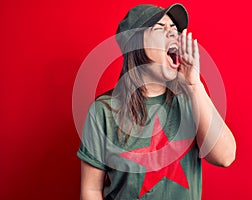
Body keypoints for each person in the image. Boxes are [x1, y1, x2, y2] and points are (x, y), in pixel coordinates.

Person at [77, 3, 236, 200]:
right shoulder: (103, 111)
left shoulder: (190, 99)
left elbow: (225, 157)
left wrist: (194, 85)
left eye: (174, 29)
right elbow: (91, 190)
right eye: (161, 28)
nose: (173, 34)